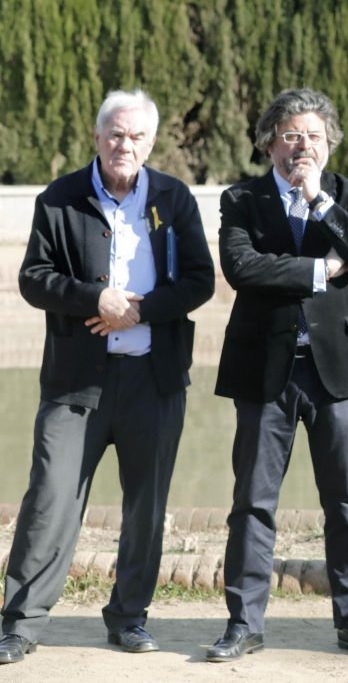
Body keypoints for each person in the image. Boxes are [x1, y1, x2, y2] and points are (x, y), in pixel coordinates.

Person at [0, 90, 214, 665]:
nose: (125, 145)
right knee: (50, 498)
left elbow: (200, 281)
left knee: (146, 505)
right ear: (98, 138)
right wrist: (96, 296)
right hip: (75, 384)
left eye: (136, 136)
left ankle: (128, 618)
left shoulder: (174, 198)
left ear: (150, 142)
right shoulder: (60, 198)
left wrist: (142, 309)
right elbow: (33, 279)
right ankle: (20, 622)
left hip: (155, 379)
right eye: (115, 134)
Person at [205, 88, 348, 662]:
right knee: (253, 501)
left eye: (312, 135)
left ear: (329, 142)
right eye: (289, 135)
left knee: (347, 502)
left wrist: (319, 204)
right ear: (268, 144)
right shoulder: (242, 199)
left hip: (338, 371)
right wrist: (319, 269)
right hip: (265, 369)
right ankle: (243, 622)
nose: (301, 146)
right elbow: (241, 268)